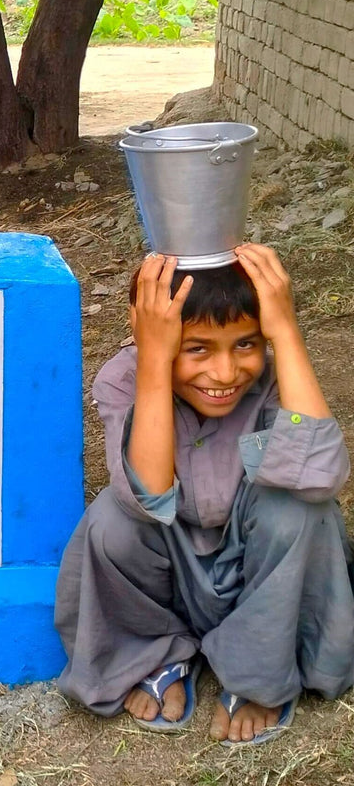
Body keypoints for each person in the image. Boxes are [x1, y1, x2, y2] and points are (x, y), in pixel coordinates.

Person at [56, 244, 354, 745]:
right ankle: (156, 652)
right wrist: (153, 359)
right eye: (197, 349)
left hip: (266, 585)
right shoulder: (124, 378)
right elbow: (146, 496)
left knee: (301, 509)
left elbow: (320, 475)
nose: (224, 373)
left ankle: (259, 675)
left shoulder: (277, 378)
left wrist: (285, 331)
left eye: (247, 344)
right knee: (111, 522)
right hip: (168, 577)